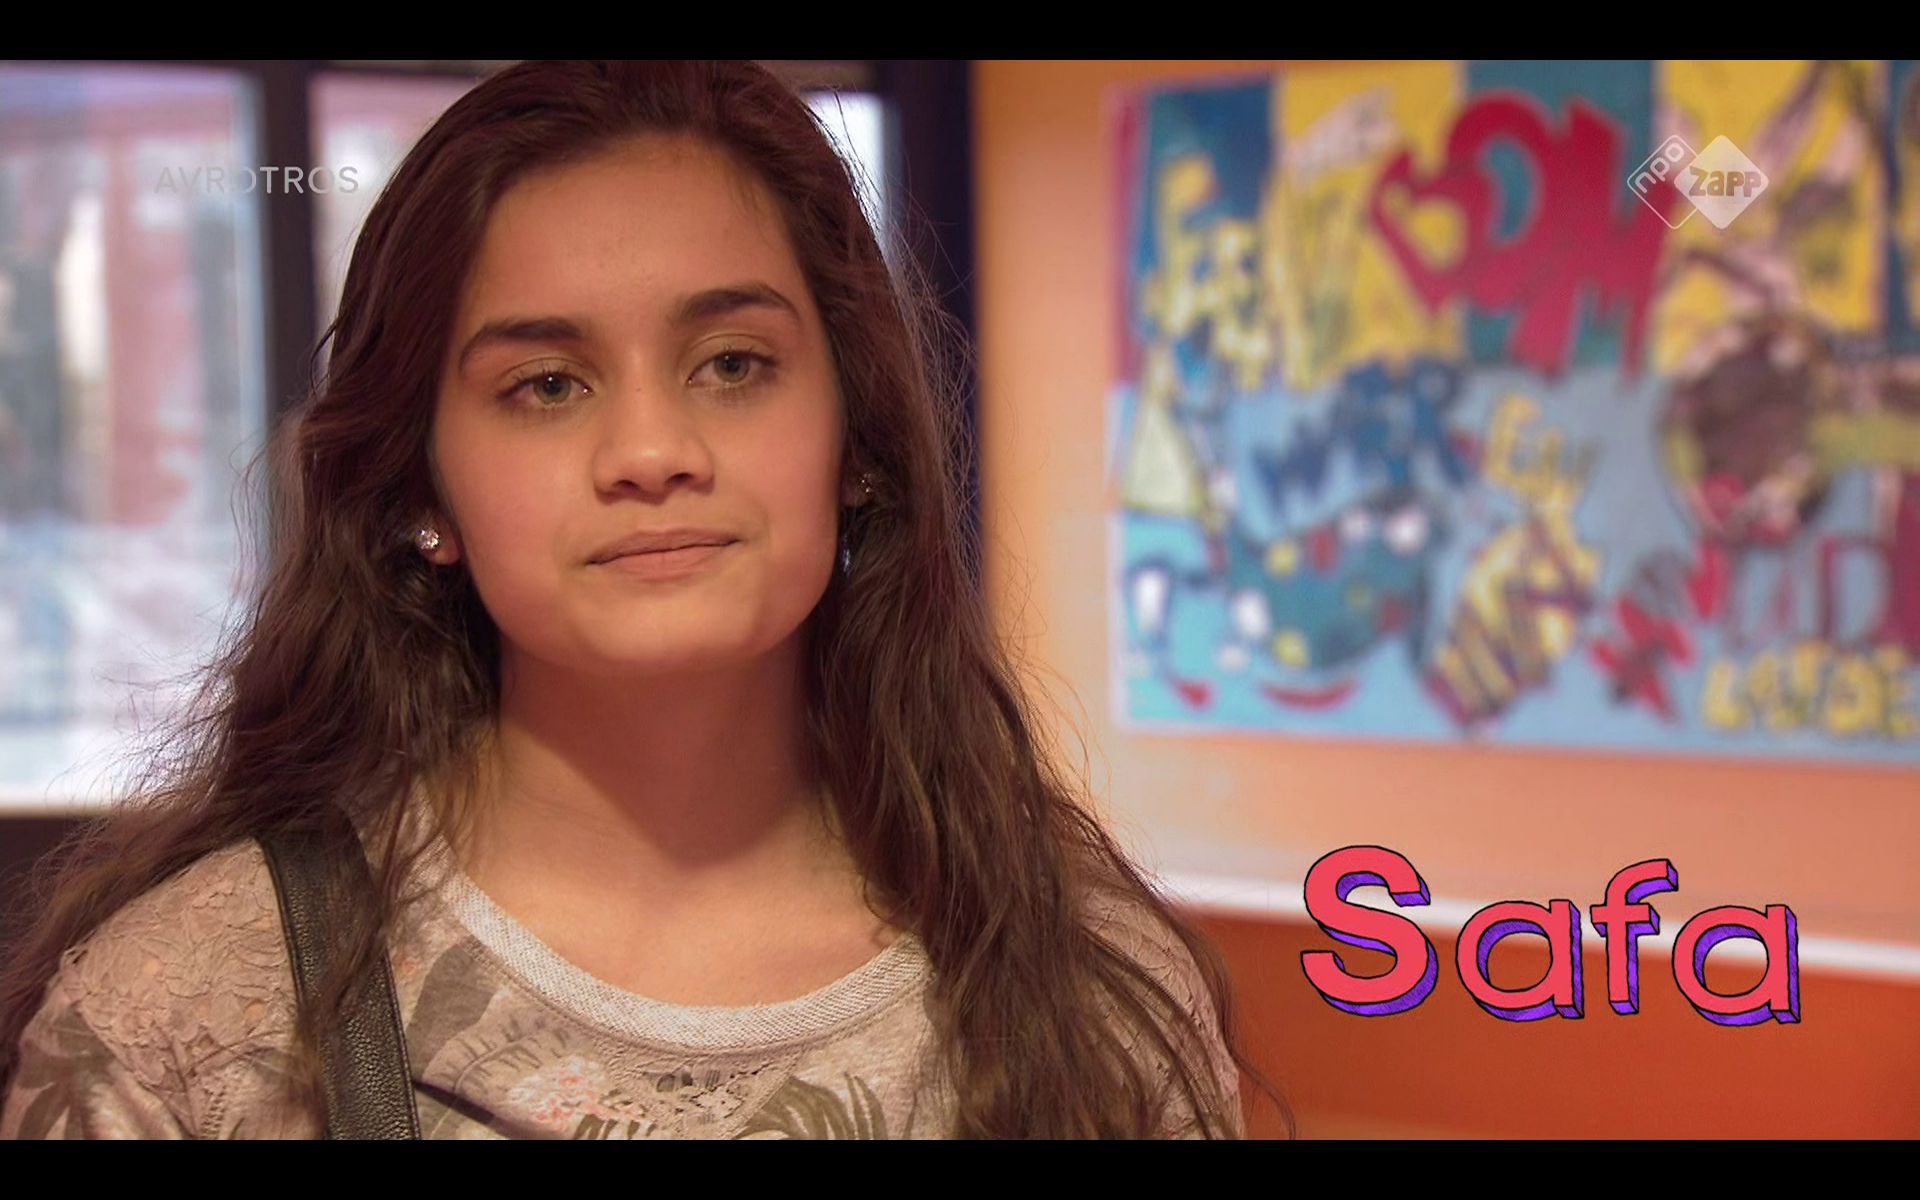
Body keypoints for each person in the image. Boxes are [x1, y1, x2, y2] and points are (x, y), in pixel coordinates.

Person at [0, 59, 1290, 1140]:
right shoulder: (189, 1022)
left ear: (854, 440)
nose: (652, 451)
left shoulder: (1087, 989)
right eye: (548, 385)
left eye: (732, 364)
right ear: (419, 487)